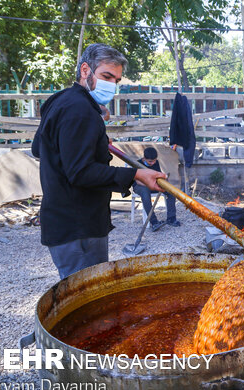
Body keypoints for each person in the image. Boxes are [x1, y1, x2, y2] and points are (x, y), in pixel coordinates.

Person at [32, 43, 166, 279]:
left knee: (75, 293)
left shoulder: (60, 101)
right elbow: (81, 172)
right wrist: (136, 174)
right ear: (85, 70)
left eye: (116, 80)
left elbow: (39, 148)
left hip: (62, 222)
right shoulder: (80, 110)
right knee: (87, 300)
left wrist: (92, 137)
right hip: (79, 226)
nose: (112, 85)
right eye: (106, 76)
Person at [132, 147, 180, 230]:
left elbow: (158, 175)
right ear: (144, 158)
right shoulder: (137, 164)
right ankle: (154, 222)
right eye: (150, 161)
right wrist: (150, 184)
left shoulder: (155, 163)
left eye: (154, 160)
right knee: (145, 193)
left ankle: (171, 218)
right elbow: (138, 181)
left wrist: (164, 180)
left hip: (153, 184)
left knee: (171, 191)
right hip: (140, 186)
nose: (153, 163)